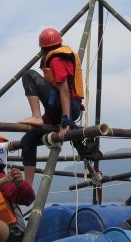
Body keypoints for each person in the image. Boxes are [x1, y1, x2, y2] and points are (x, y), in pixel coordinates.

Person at [18, 27, 85, 184]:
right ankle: (28, 185)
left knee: (28, 74)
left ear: (43, 48)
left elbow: (64, 90)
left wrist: (66, 121)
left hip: (66, 109)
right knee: (27, 140)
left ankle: (36, 116)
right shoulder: (60, 57)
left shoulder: (56, 59)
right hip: (59, 108)